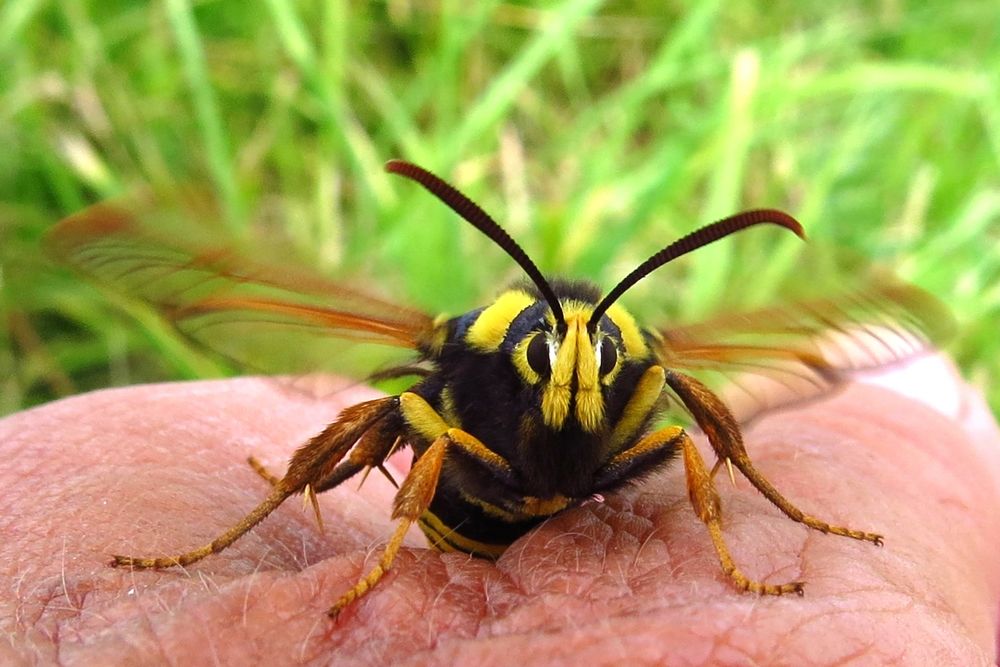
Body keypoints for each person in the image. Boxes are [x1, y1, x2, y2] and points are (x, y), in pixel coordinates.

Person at [2, 355, 997, 664]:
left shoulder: (649, 393)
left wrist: (767, 524)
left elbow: (688, 407)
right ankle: (266, 519)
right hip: (459, 507)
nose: (570, 387)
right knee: (403, 413)